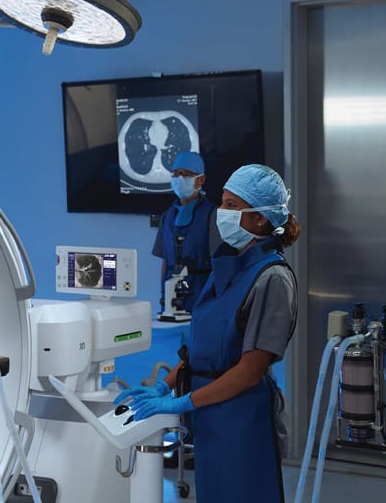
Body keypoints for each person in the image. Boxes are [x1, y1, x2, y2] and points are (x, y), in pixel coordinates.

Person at [118, 163, 300, 502]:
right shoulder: (227, 265)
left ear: (260, 219)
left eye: (232, 206)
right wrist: (164, 385)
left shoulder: (272, 278)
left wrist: (184, 401)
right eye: (223, 203)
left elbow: (249, 371)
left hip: (242, 417)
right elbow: (198, 354)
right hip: (210, 416)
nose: (221, 212)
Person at [152, 151, 220, 318]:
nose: (180, 178)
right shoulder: (168, 217)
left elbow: (219, 263)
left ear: (201, 180)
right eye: (176, 174)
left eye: (187, 174)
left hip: (201, 296)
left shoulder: (212, 215)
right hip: (171, 300)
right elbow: (165, 262)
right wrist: (164, 296)